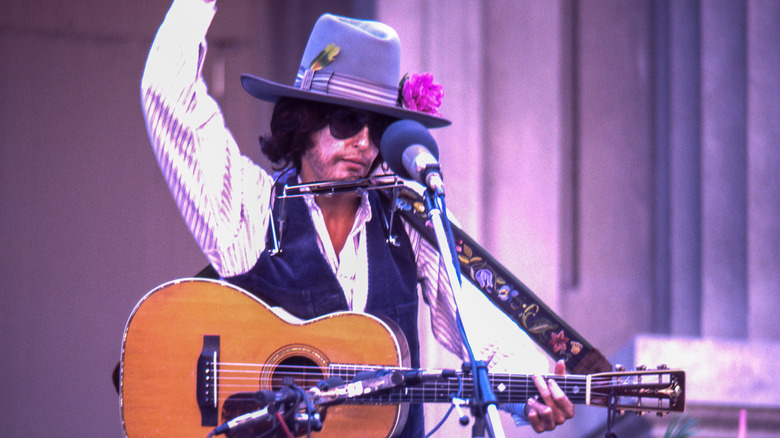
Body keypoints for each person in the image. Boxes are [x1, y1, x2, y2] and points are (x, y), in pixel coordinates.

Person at [141, 0, 575, 435]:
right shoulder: (251, 207)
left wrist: (529, 392)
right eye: (347, 121)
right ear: (303, 119)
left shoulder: (408, 213)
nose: (364, 143)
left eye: (380, 126)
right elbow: (167, 91)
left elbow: (475, 323)